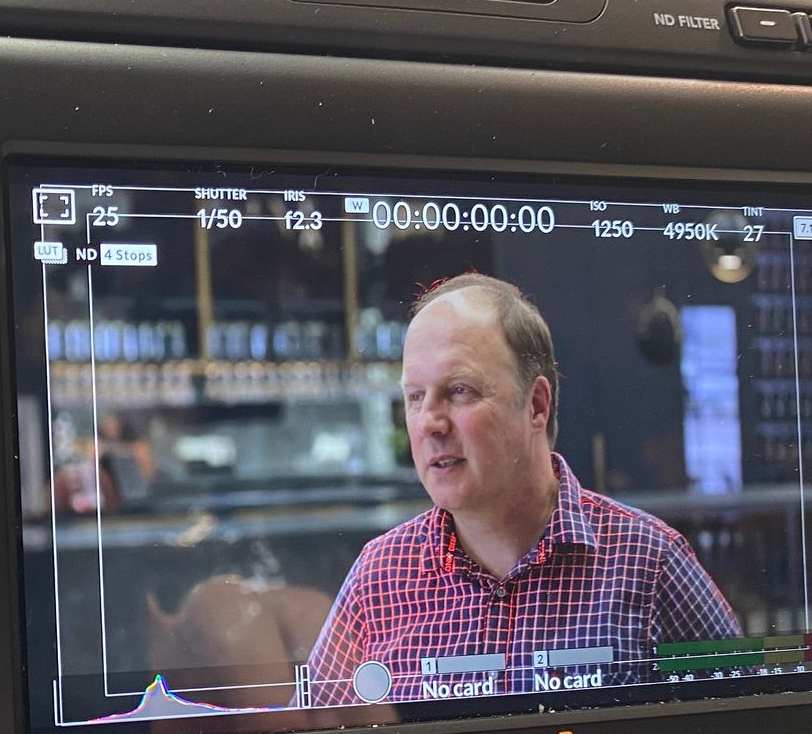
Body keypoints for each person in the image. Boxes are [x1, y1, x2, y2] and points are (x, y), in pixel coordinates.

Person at [304, 273, 738, 707]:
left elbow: (752, 728)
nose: (429, 423)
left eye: (459, 391)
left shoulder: (649, 563)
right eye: (415, 397)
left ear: (536, 406)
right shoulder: (379, 576)